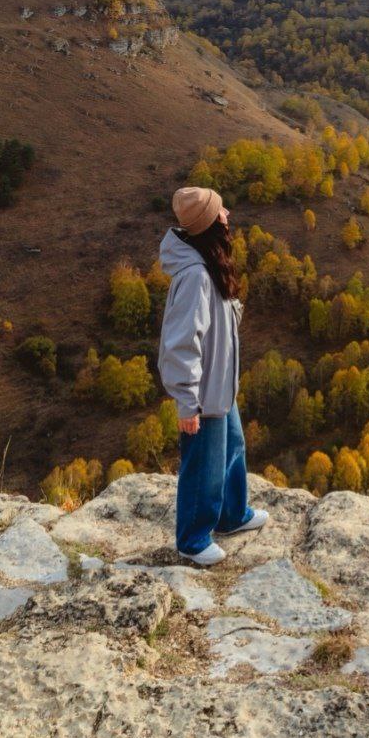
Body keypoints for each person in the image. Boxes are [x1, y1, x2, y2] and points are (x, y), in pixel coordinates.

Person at [158, 186, 268, 565]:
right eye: (222, 212)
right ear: (209, 224)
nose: (228, 216)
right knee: (203, 464)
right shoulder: (195, 278)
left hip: (220, 385)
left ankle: (231, 515)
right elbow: (181, 342)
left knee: (233, 449)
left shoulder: (208, 267)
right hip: (203, 393)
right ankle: (192, 539)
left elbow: (214, 325)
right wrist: (187, 401)